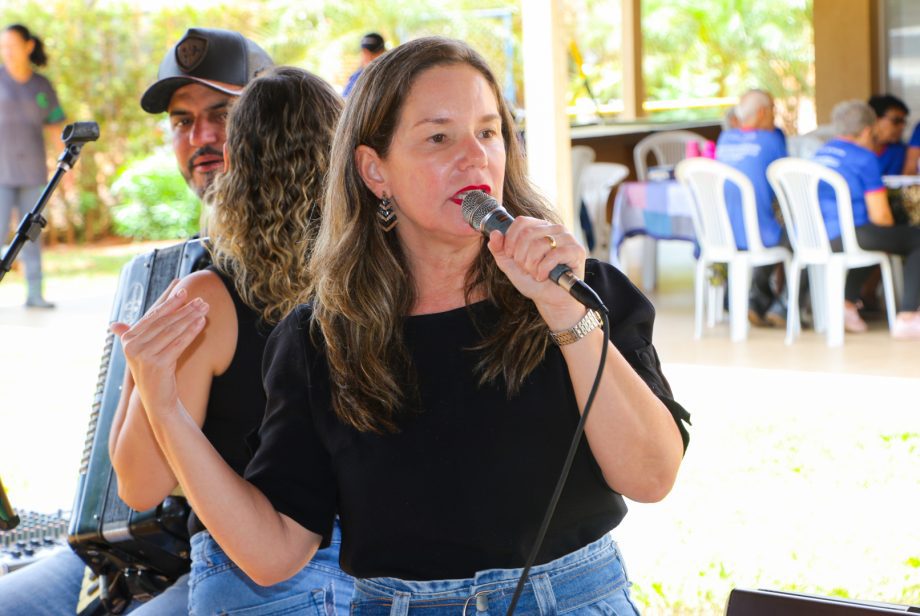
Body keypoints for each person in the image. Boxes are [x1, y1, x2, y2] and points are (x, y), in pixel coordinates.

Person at [111, 36, 691, 614]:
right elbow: (273, 554)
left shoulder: (579, 290)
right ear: (374, 170)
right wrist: (165, 411)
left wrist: (567, 318)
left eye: (489, 133)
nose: (474, 158)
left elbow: (651, 477)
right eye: (439, 137)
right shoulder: (322, 337)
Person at [0, 29, 353, 615]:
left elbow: (136, 481)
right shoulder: (183, 269)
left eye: (223, 114)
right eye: (182, 122)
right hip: (153, 546)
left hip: (253, 558)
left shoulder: (237, 287)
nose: (203, 137)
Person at [812, 99, 920, 339]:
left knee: (876, 240)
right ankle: (908, 316)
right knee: (913, 237)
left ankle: (847, 304)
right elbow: (881, 216)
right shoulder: (864, 157)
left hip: (816, 237)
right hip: (850, 233)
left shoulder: (819, 153)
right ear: (868, 131)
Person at [0, 24, 65, 309]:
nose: (6, 52)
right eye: (2, 47)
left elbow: (55, 127)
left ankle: (35, 294)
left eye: (11, 46)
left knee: (31, 235)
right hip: (1, 175)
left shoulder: (42, 86)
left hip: (33, 173)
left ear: (28, 47)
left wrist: (67, 166)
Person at [716, 88, 789, 327]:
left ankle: (756, 300)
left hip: (721, 235)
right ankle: (786, 303)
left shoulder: (724, 139)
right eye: (773, 110)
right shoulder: (772, 140)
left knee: (765, 225)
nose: (775, 116)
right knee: (801, 234)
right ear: (761, 112)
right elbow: (784, 183)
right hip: (758, 234)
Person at [868, 94, 909, 176]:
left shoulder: (898, 151)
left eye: (903, 122)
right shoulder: (853, 150)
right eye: (896, 121)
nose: (902, 127)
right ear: (875, 119)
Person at [341, 32, 385, 97]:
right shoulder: (355, 77)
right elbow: (344, 99)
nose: (368, 56)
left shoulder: (390, 74)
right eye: (365, 52)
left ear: (383, 52)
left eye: (374, 53)